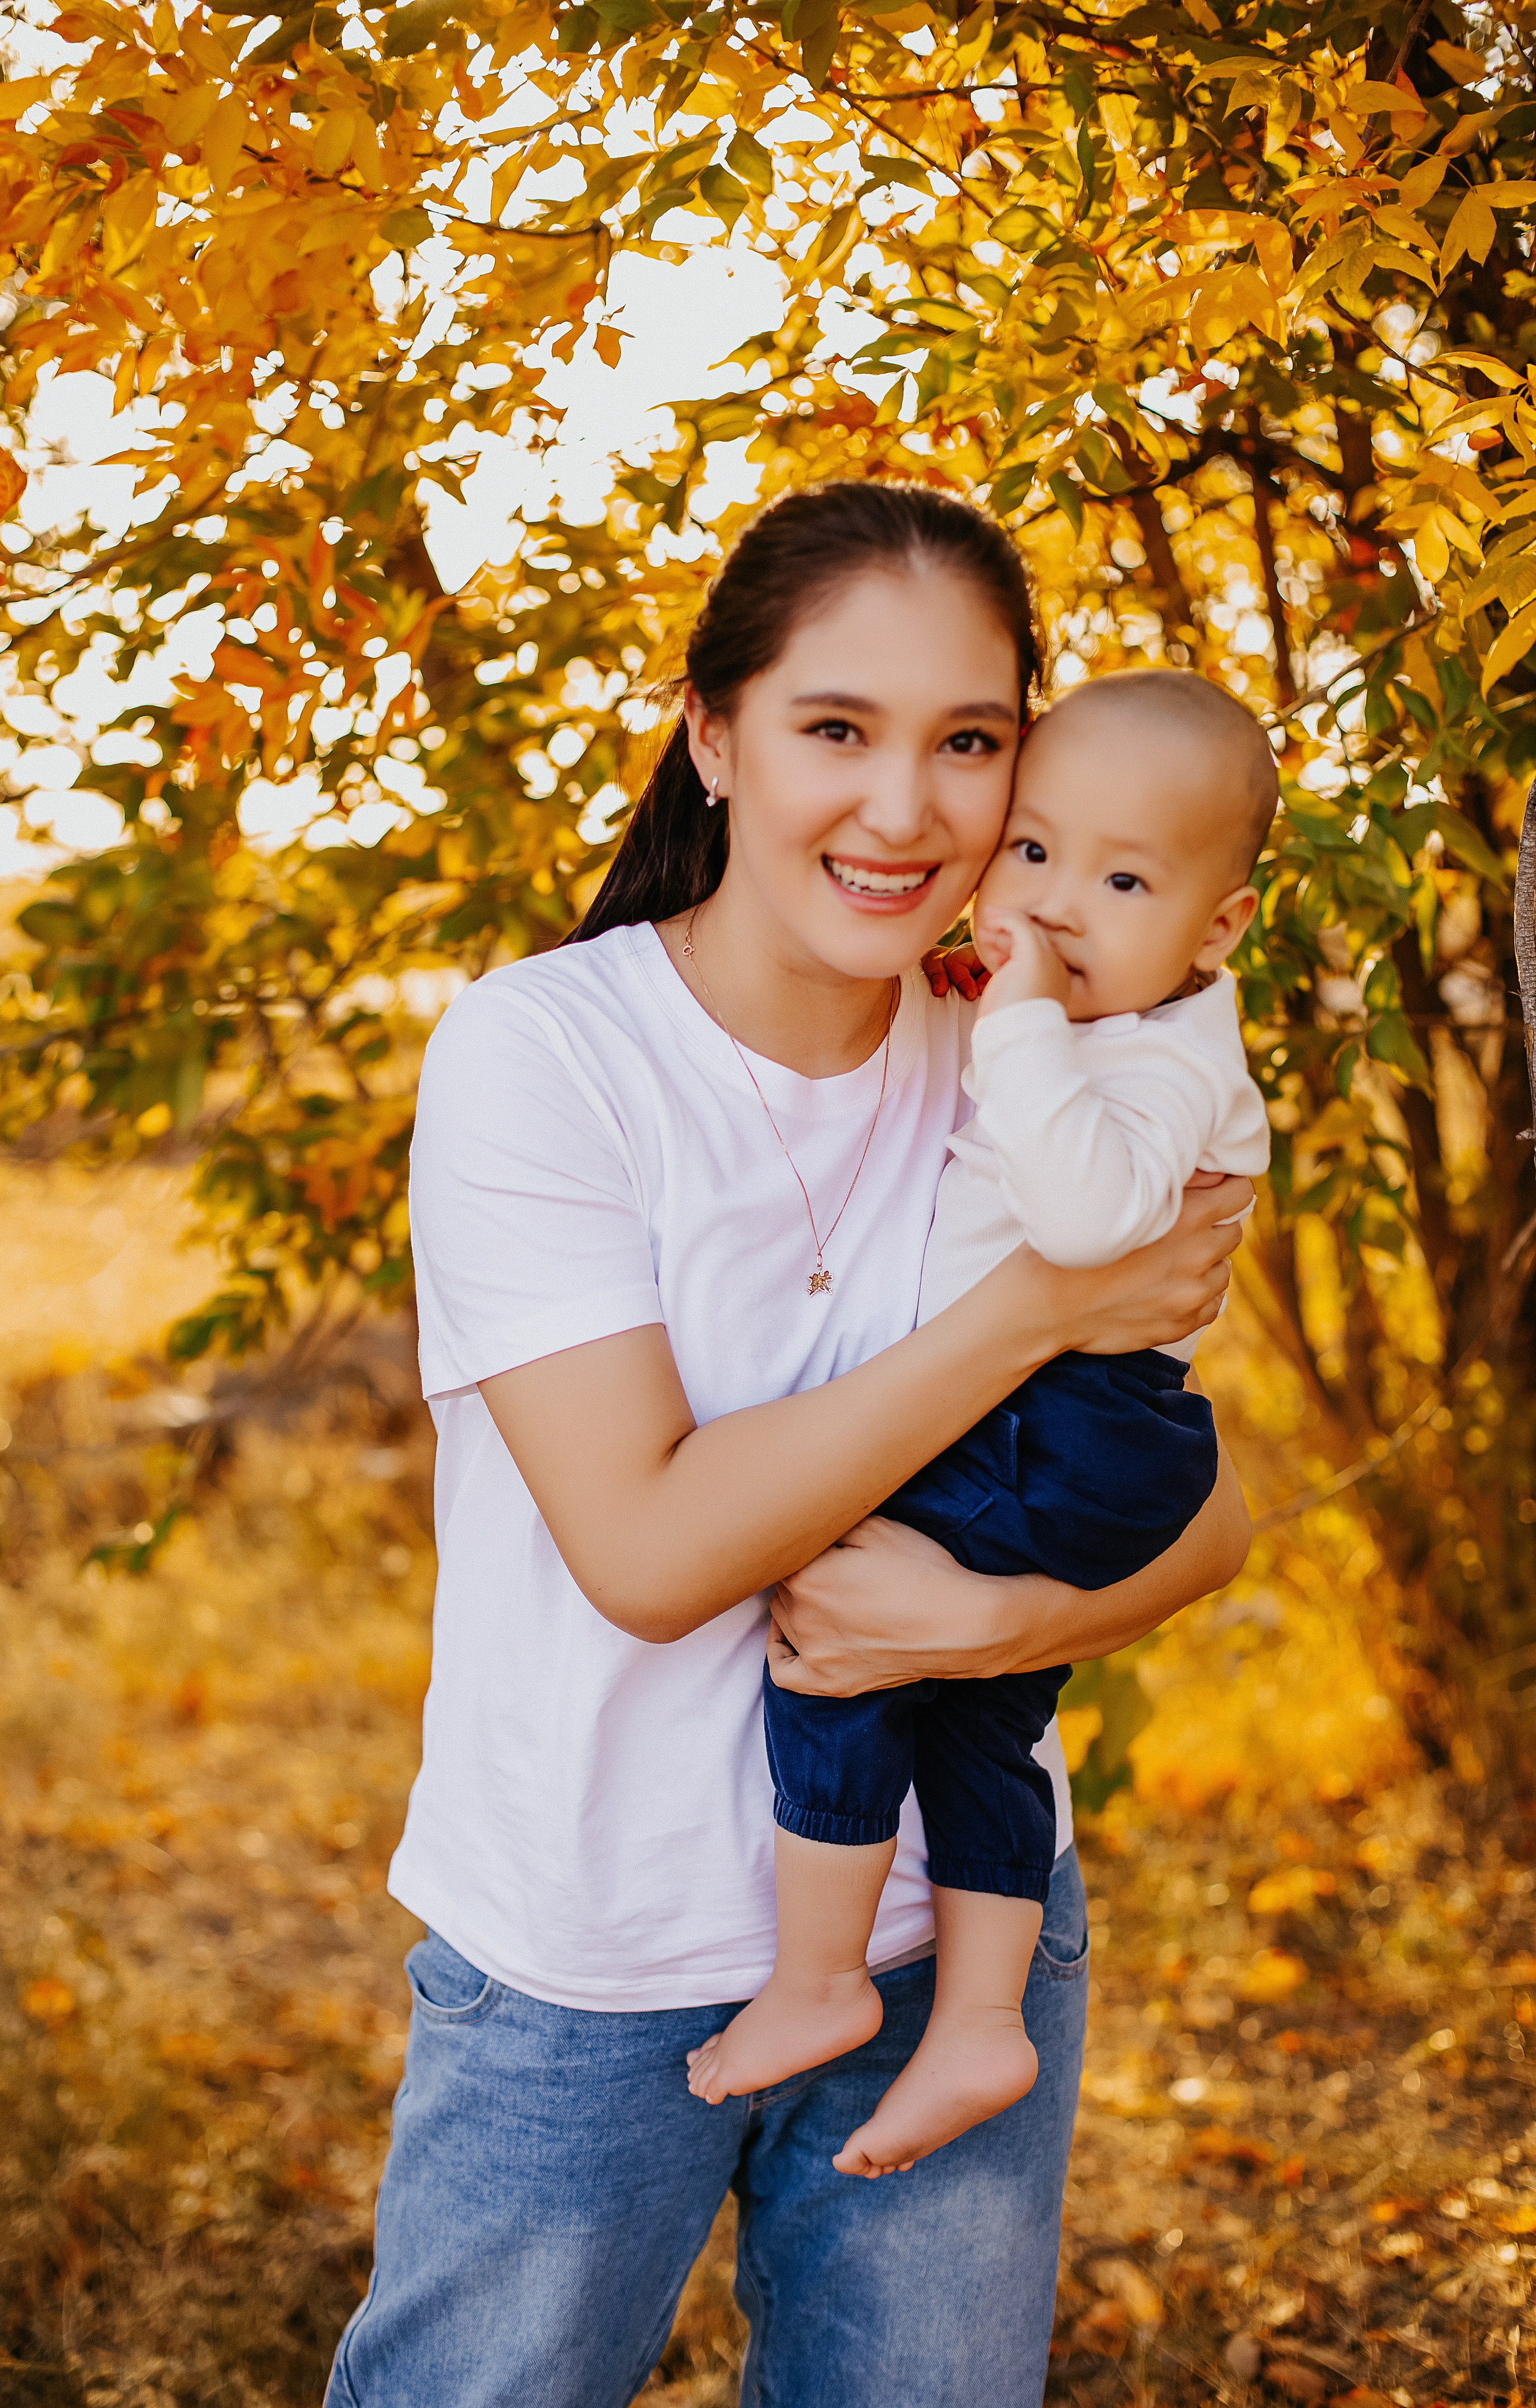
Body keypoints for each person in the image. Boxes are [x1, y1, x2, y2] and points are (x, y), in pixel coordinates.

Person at [325, 481, 1255, 2408]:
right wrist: (1039, 1308)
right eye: (838, 727)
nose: (904, 809)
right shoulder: (546, 1056)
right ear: (714, 733)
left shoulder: (1030, 1047)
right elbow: (653, 1558)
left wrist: (990, 1629)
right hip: (596, 1963)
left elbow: (1208, 1510)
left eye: (969, 743)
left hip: (954, 1939)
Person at [686, 670, 1274, 2181]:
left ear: (1215, 930)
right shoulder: (1114, 1029)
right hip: (1066, 1420)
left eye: (1123, 882)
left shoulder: (1158, 1057)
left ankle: (820, 1976)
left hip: (1069, 1419)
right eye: (1030, 851)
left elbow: (1081, 1223)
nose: (1057, 904)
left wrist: (1014, 1019)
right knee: (977, 1711)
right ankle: (978, 2023)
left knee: (836, 1627)